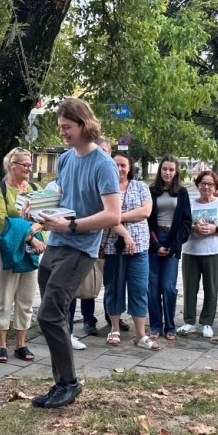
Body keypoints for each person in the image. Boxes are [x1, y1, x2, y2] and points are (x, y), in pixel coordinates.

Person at [29, 98, 120, 409]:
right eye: (60, 128)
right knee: (55, 317)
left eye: (67, 127)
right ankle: (60, 383)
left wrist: (70, 226)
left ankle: (69, 384)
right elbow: (60, 194)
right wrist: (36, 207)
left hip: (79, 247)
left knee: (49, 315)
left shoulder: (104, 164)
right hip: (55, 244)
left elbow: (112, 216)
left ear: (84, 124)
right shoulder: (66, 159)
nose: (63, 133)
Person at [68, 136, 129, 338]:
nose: (101, 154)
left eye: (105, 151)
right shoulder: (82, 167)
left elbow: (112, 214)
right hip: (80, 236)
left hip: (103, 240)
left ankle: (90, 319)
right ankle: (66, 326)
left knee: (92, 283)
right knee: (73, 285)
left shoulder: (106, 172)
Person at [0, 147, 45, 363]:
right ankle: (1, 343)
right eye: (25, 165)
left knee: (26, 298)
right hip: (6, 250)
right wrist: (30, 234)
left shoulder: (35, 188)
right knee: (4, 297)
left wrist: (33, 231)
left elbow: (44, 216)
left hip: (31, 252)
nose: (29, 169)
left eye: (31, 165)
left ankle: (21, 343)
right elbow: (2, 221)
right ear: (11, 165)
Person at [103, 152, 156, 349]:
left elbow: (145, 212)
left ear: (130, 167)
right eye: (115, 165)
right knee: (113, 289)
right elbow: (104, 216)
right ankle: (114, 328)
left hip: (139, 248)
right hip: (113, 248)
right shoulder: (105, 189)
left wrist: (117, 216)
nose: (119, 169)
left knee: (139, 289)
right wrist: (125, 233)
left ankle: (140, 334)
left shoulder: (141, 186)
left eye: (123, 165)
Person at [179, 171, 218, 337]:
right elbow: (182, 224)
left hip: (213, 251)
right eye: (203, 183)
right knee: (190, 288)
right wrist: (193, 228)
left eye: (210, 184)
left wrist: (214, 229)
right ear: (198, 185)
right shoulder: (189, 203)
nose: (206, 187)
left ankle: (207, 322)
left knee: (211, 288)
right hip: (191, 251)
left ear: (215, 187)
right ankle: (189, 321)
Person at [147, 155, 192, 341]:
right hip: (154, 240)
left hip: (172, 240)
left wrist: (173, 245)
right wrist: (156, 245)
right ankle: (156, 326)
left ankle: (170, 326)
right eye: (165, 169)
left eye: (171, 170)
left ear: (176, 172)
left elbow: (186, 222)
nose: (167, 172)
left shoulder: (182, 192)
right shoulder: (151, 191)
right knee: (152, 287)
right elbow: (146, 221)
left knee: (168, 287)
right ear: (160, 170)